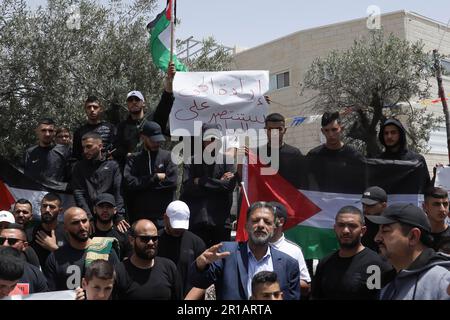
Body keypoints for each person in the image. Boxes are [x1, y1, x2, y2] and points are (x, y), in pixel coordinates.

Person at [189, 201, 300, 300]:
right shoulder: (226, 253)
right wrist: (200, 265)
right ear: (246, 225)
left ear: (273, 228)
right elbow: (199, 282)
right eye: (255, 220)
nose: (261, 225)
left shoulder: (289, 264)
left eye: (267, 222)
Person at [368, 203, 450, 300]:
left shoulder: (443, 281)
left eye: (385, 230)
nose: (376, 238)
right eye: (378, 231)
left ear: (413, 237)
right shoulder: (386, 284)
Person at [311, 206, 392, 300]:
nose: (345, 231)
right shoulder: (325, 263)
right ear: (335, 228)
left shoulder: (376, 265)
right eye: (341, 225)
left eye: (352, 226)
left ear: (363, 231)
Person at [180, 123, 237, 247]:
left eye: (214, 139)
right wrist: (218, 183)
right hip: (197, 221)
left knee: (223, 260)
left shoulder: (228, 161)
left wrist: (201, 181)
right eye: (208, 139)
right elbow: (187, 189)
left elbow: (228, 187)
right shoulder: (191, 161)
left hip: (221, 222)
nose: (211, 142)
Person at [43, 207, 121, 291]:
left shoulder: (105, 250)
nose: (82, 226)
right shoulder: (55, 258)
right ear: (65, 228)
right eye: (75, 223)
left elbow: (118, 287)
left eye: (84, 221)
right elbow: (51, 294)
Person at [113, 64, 176, 168]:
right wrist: (128, 155)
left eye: (137, 100)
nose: (134, 102)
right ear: (127, 104)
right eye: (130, 100)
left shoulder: (153, 121)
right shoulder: (121, 127)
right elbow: (116, 148)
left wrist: (169, 80)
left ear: (143, 103)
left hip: (153, 168)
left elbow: (165, 104)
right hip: (130, 172)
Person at [123, 120, 178, 226]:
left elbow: (172, 183)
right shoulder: (133, 159)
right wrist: (155, 178)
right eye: (153, 140)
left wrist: (143, 186)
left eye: (158, 140)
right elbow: (129, 183)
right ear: (143, 137)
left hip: (164, 218)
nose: (156, 143)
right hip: (141, 217)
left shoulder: (169, 156)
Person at [71, 132, 127, 228]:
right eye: (83, 147)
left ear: (100, 146)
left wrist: (119, 216)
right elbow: (79, 194)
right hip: (89, 219)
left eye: (89, 147)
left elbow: (118, 192)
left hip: (111, 217)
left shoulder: (113, 166)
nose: (85, 151)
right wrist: (88, 217)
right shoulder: (79, 167)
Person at [118, 219, 182, 300]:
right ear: (131, 240)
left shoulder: (169, 267)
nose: (151, 242)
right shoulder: (120, 272)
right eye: (145, 239)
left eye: (155, 238)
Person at [157, 200, 206, 298]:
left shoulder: (197, 243)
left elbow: (204, 279)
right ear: (165, 218)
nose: (178, 229)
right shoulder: (154, 241)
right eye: (175, 225)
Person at [306, 111, 365, 191]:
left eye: (334, 130)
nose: (331, 134)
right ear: (322, 131)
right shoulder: (313, 156)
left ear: (342, 129)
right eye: (327, 130)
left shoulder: (354, 156)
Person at [268, 202, 311, 297]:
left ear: (281, 221)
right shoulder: (254, 247)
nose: (262, 223)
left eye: (268, 219)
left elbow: (306, 285)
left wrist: (282, 280)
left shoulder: (294, 250)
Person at [377, 118, 430, 191]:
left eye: (393, 132)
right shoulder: (378, 161)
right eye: (386, 133)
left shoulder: (417, 160)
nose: (389, 136)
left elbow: (427, 187)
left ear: (400, 134)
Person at [23, 118, 70, 185]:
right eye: (43, 130)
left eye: (50, 131)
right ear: (37, 131)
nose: (47, 134)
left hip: (58, 194)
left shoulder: (64, 151)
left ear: (54, 132)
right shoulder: (29, 153)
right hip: (36, 194)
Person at [72, 96, 116, 160]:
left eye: (95, 107)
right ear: (85, 110)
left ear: (100, 109)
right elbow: (76, 155)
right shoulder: (79, 132)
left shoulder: (110, 128)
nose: (92, 110)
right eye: (89, 107)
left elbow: (115, 149)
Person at [30, 193, 66, 267]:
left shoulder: (67, 232)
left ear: (60, 210)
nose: (47, 210)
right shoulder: (30, 230)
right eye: (44, 206)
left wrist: (54, 248)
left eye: (52, 207)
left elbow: (72, 261)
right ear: (40, 208)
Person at [90, 193, 131, 260]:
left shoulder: (123, 233)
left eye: (109, 207)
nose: (105, 210)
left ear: (115, 210)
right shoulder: (88, 232)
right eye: (101, 206)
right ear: (94, 210)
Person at [360, 186, 387, 252]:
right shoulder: (360, 224)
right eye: (363, 205)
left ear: (384, 206)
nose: (365, 209)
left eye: (370, 205)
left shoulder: (392, 225)